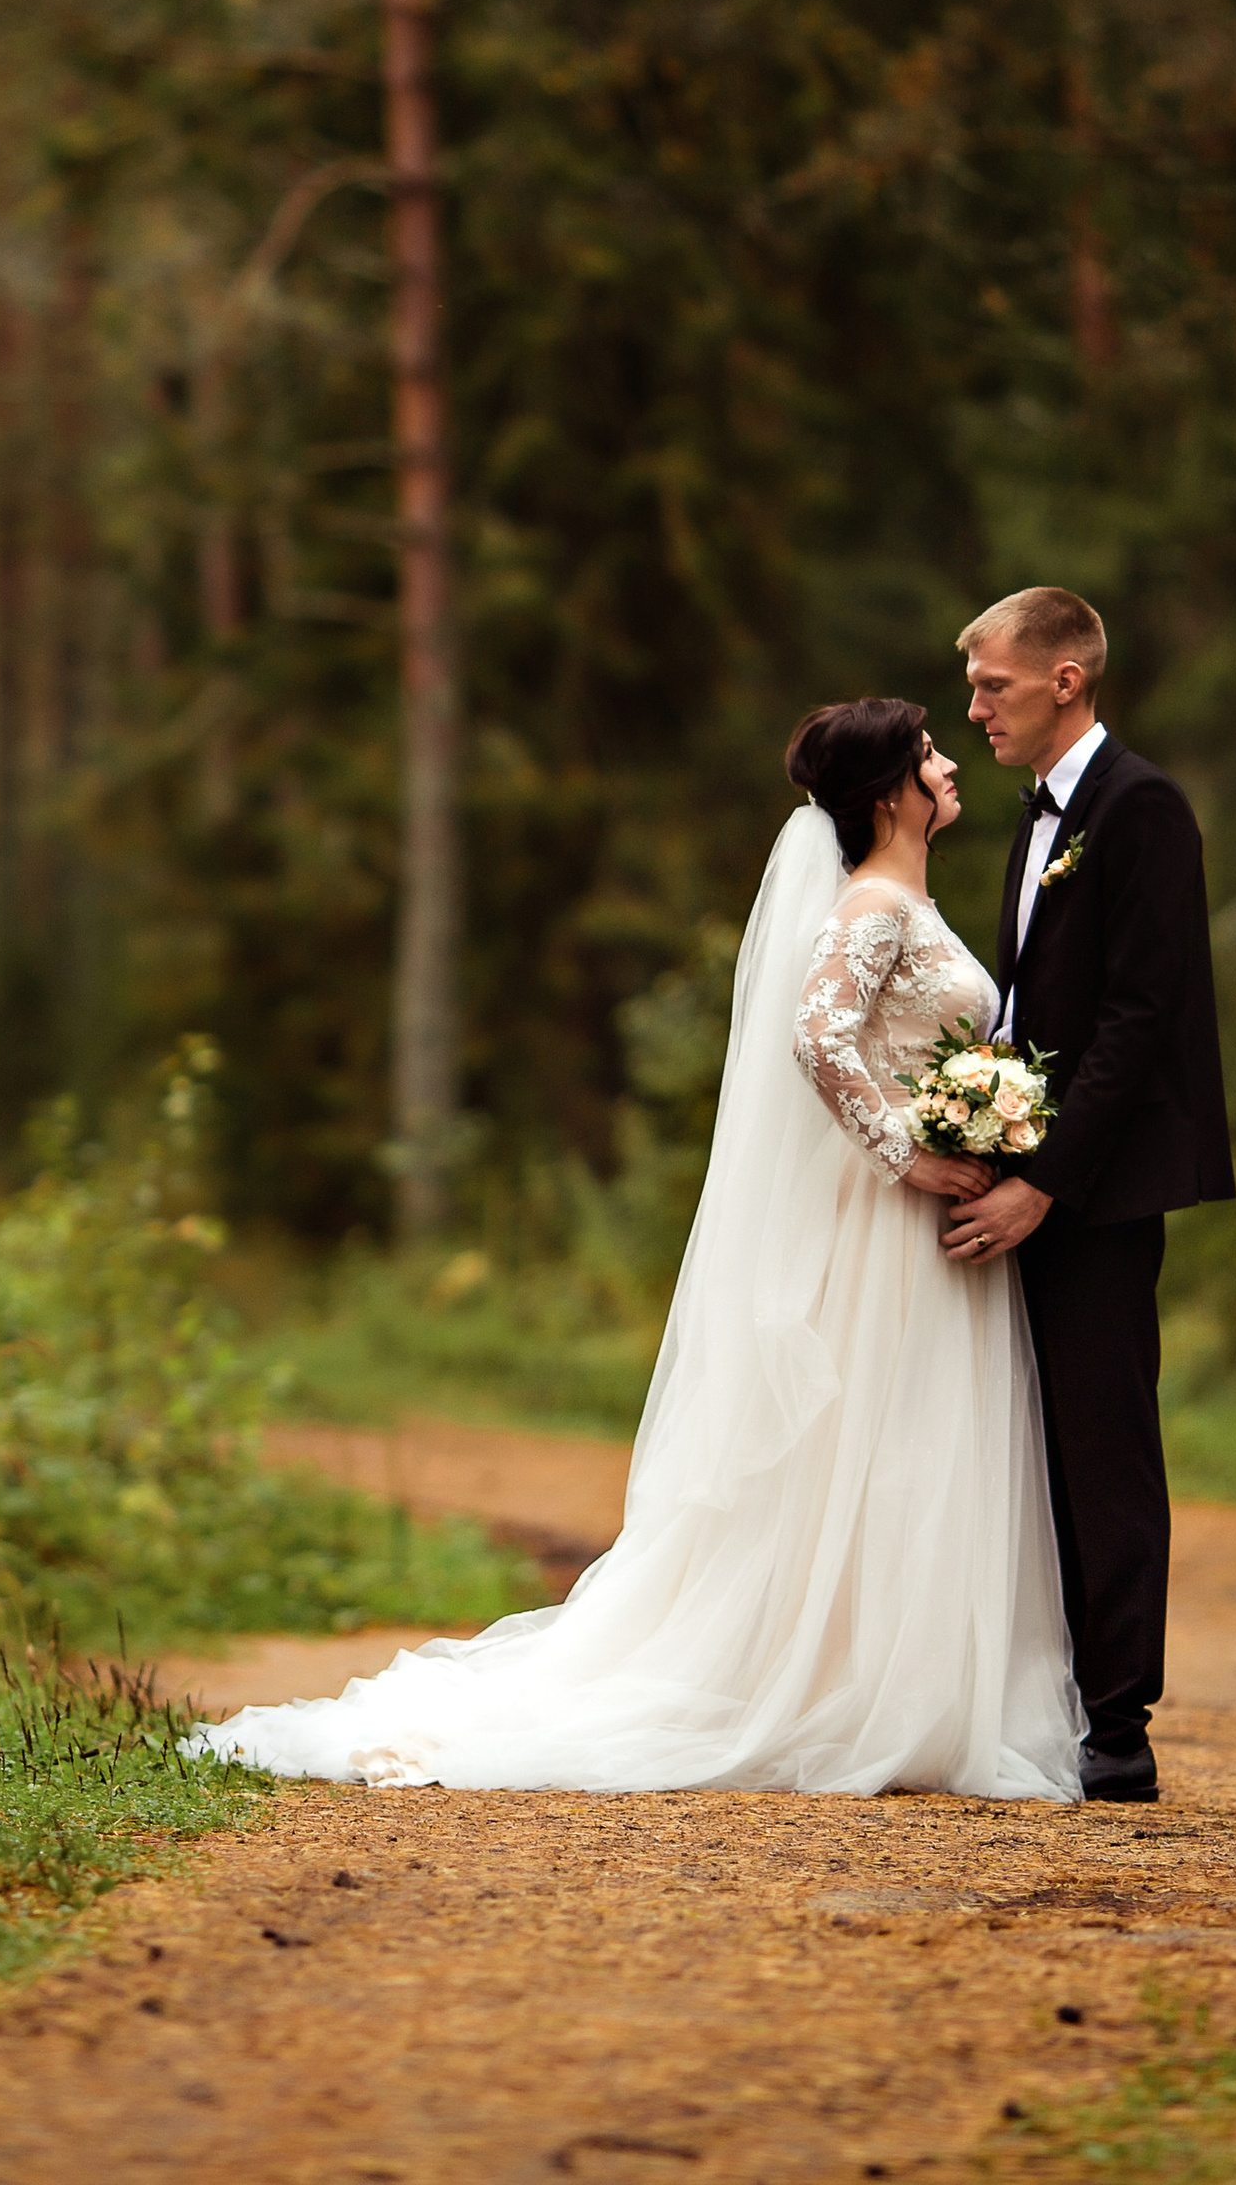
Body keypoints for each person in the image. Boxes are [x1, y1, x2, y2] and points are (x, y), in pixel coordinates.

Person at [190, 699, 1084, 1800]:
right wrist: (909, 1153)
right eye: (929, 754)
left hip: (921, 1216)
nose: (949, 764)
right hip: (884, 1227)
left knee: (906, 1441)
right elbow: (817, 1038)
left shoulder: (908, 901)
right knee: (876, 1436)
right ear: (889, 792)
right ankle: (835, 1688)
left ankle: (891, 1682)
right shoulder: (871, 905)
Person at [943, 589, 1233, 1805]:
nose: (974, 709)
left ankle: (1119, 1724)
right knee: (1034, 1444)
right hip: (1032, 1172)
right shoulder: (1036, 815)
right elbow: (1033, 1008)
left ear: (1065, 679)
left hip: (1100, 1195)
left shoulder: (1140, 807)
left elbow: (1139, 1019)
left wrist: (1044, 1184)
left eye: (992, 686)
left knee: (1103, 1445)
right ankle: (1048, 1702)